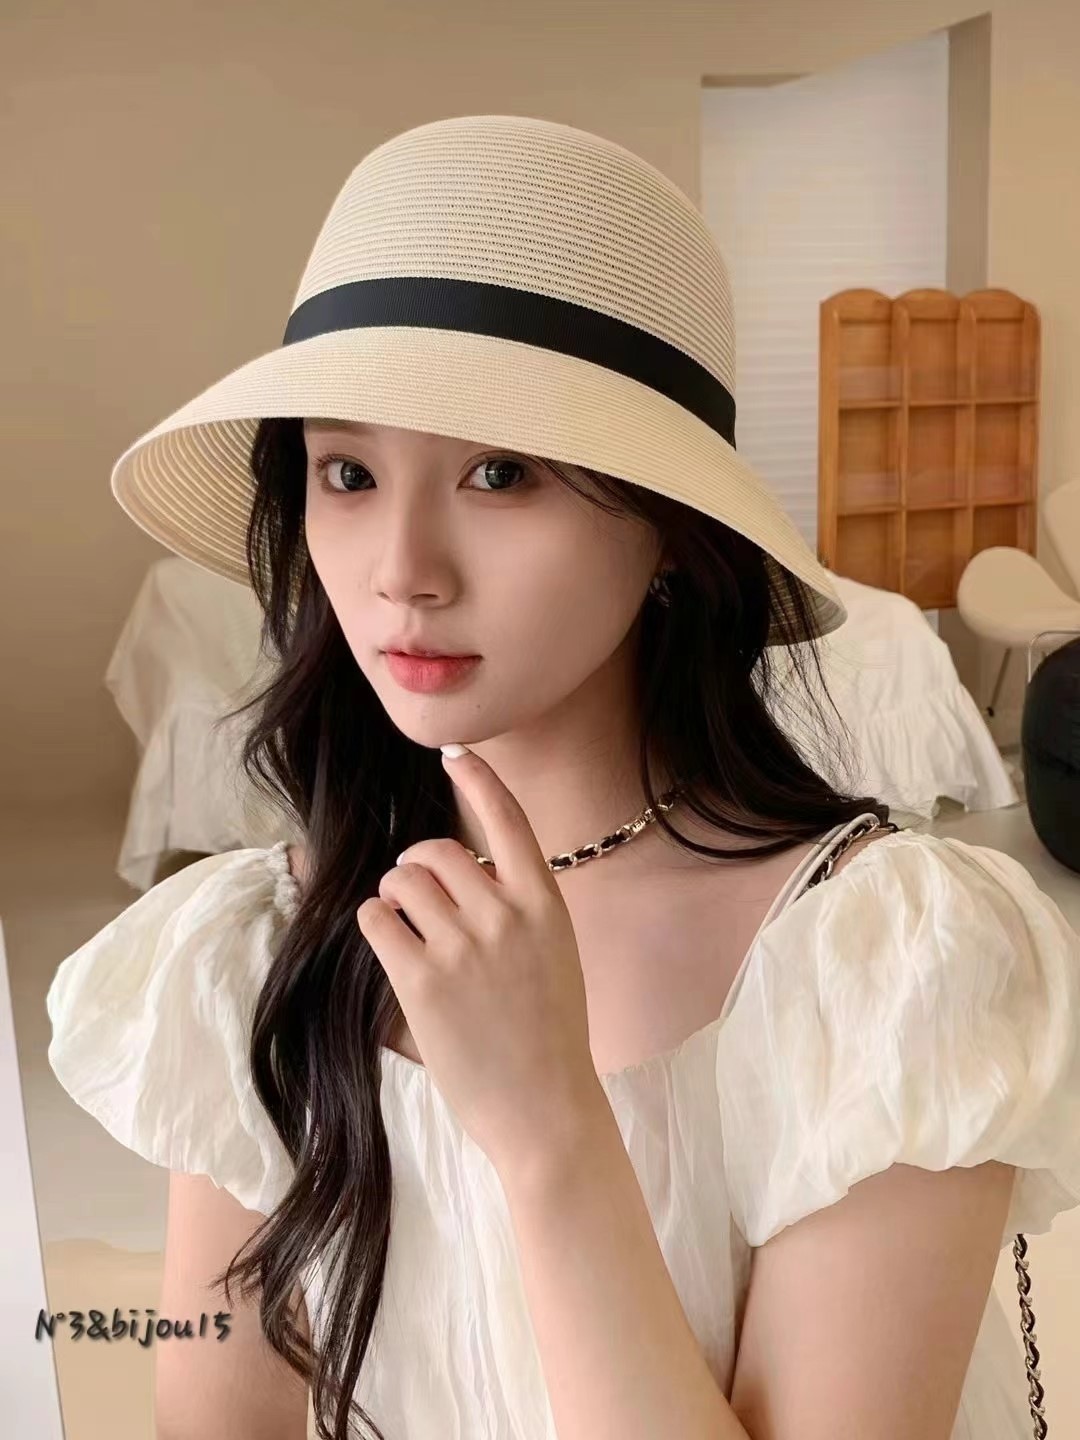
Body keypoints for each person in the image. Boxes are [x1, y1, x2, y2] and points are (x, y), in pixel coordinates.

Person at [46, 115, 1080, 1440]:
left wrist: (549, 1132)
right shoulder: (253, 949)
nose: (401, 570)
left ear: (671, 529)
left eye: (500, 472)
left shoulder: (889, 966)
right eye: (348, 472)